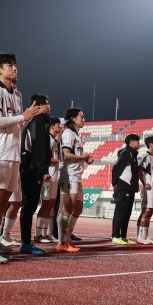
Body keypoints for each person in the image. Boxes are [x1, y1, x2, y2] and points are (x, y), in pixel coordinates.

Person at [0, 53, 46, 264]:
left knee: (3, 202)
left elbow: (18, 124)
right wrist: (23, 116)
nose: (15, 68)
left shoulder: (17, 94)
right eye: (10, 65)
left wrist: (27, 118)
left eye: (15, 65)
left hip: (13, 154)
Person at [17, 94, 53, 255]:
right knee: (29, 205)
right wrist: (43, 170)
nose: (49, 107)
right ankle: (25, 243)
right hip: (31, 167)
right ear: (39, 107)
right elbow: (38, 146)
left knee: (30, 205)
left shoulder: (39, 122)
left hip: (31, 166)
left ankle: (26, 242)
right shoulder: (37, 121)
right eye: (47, 104)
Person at [58, 108, 93, 252]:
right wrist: (82, 158)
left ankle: (67, 237)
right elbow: (66, 154)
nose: (84, 120)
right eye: (81, 117)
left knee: (77, 208)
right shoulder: (68, 133)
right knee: (66, 209)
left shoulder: (76, 135)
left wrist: (85, 159)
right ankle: (62, 242)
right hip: (68, 175)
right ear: (73, 119)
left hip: (76, 176)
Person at [35, 118, 63, 243]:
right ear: (52, 126)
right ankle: (38, 234)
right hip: (48, 178)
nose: (60, 127)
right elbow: (46, 158)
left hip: (54, 177)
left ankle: (45, 233)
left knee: (50, 205)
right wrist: (60, 161)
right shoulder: (49, 140)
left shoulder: (54, 141)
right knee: (45, 204)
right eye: (58, 125)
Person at [111, 134, 140, 245]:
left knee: (127, 213)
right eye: (137, 141)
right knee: (121, 212)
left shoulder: (133, 154)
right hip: (124, 186)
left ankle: (123, 236)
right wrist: (115, 183)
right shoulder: (126, 153)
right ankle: (115, 236)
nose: (139, 143)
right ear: (131, 142)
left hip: (131, 187)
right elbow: (116, 168)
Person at [135, 136, 153, 244]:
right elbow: (140, 169)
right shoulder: (146, 156)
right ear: (151, 144)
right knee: (145, 211)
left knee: (150, 212)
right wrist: (144, 184)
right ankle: (139, 237)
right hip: (147, 189)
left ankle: (145, 236)